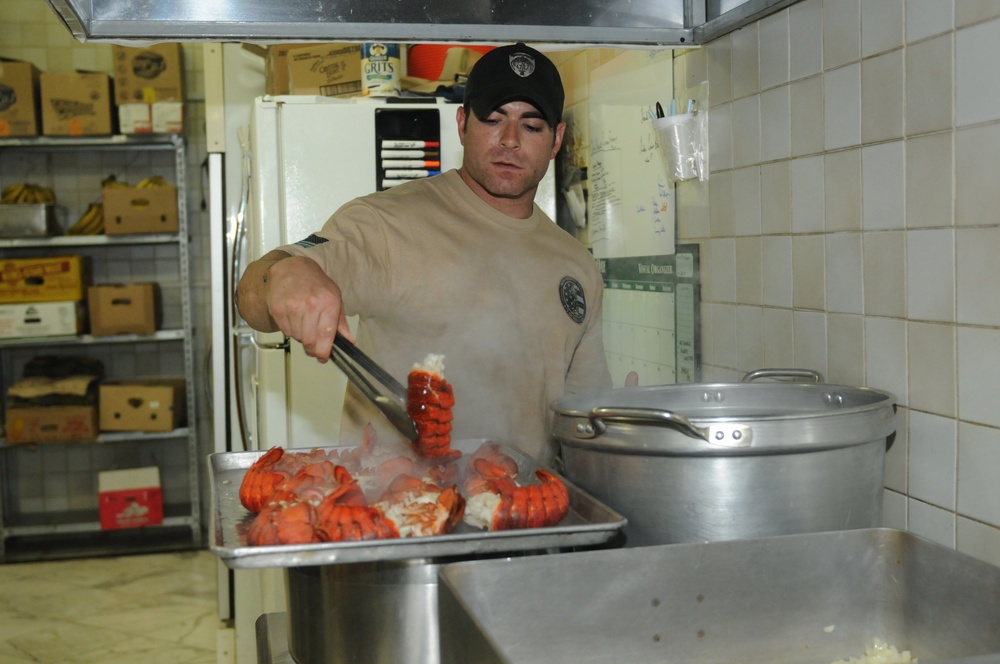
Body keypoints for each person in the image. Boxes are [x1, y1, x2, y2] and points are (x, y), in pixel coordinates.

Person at [236, 42, 611, 465]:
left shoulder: (576, 265)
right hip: (395, 512)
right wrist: (284, 275)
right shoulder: (387, 223)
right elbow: (253, 297)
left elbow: (587, 423)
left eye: (531, 125)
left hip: (528, 514)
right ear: (462, 123)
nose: (509, 140)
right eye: (492, 119)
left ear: (556, 139)